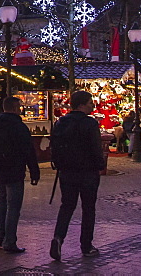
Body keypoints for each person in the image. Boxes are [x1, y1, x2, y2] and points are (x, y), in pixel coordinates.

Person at [48, 90, 105, 261]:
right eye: (90, 102)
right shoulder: (90, 123)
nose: (92, 105)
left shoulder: (61, 122)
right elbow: (95, 148)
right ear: (81, 104)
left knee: (67, 206)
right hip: (87, 171)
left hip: (67, 171)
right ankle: (86, 245)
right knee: (88, 208)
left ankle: (58, 237)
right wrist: (100, 165)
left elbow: (54, 146)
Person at [0, 96, 40, 254]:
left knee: (2, 200)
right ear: (14, 108)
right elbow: (28, 150)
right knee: (13, 206)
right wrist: (34, 171)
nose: (20, 110)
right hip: (14, 169)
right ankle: (10, 241)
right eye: (19, 107)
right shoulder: (18, 126)